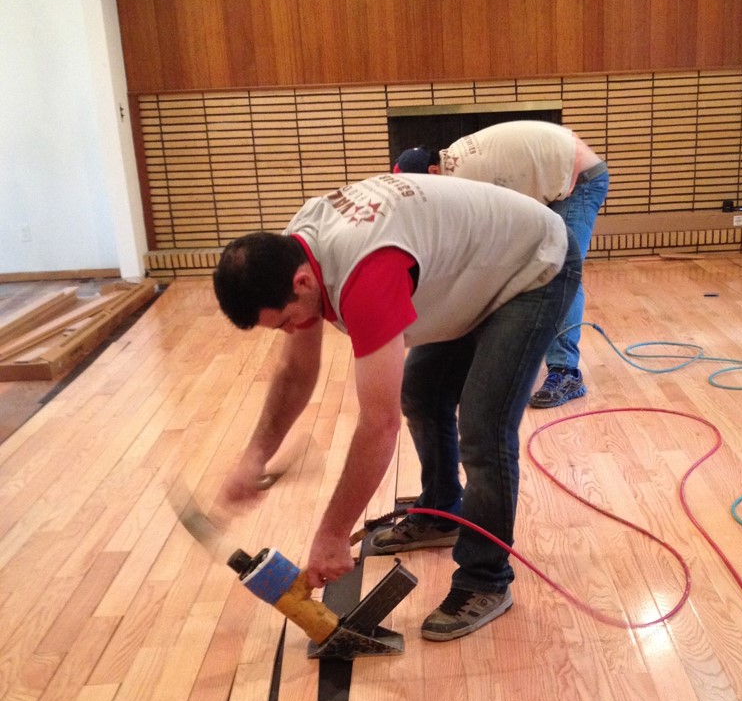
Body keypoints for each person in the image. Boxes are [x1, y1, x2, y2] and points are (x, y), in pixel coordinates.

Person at [213, 172, 583, 641]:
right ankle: (439, 511)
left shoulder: (364, 272)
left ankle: (486, 580)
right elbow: (295, 372)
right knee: (422, 393)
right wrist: (255, 456)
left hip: (533, 264)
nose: (292, 332)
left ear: (302, 282)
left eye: (287, 320)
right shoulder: (296, 251)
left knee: (484, 427)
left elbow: (378, 425)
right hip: (480, 264)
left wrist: (332, 533)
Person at [393, 119, 609, 408]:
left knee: (561, 271)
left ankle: (566, 372)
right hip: (556, 170)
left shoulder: (465, 182)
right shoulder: (454, 163)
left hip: (580, 179)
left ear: (433, 172)